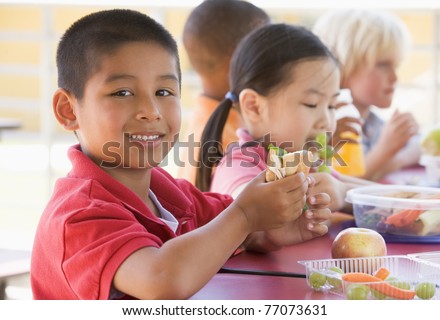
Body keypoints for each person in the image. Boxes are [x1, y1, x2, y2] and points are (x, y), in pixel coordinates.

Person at [30, 9, 332, 300]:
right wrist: (245, 216)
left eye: (164, 92)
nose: (150, 111)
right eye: (122, 92)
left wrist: (270, 229)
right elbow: (162, 279)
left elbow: (230, 226)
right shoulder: (78, 215)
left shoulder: (167, 193)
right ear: (68, 110)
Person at [196, 23, 373, 213]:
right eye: (311, 104)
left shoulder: (306, 164)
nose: (326, 121)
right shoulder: (240, 166)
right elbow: (250, 214)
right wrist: (344, 194)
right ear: (254, 107)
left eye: (331, 106)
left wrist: (343, 192)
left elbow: (382, 196)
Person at [313, 9, 421, 181]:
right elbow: (338, 185)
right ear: (343, 65)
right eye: (383, 65)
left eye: (396, 65)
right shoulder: (331, 126)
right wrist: (385, 150)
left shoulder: (373, 123)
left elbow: (418, 148)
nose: (395, 77)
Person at [176, 0, 270, 184]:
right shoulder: (228, 137)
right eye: (265, 52)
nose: (274, 61)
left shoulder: (207, 119)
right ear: (238, 59)